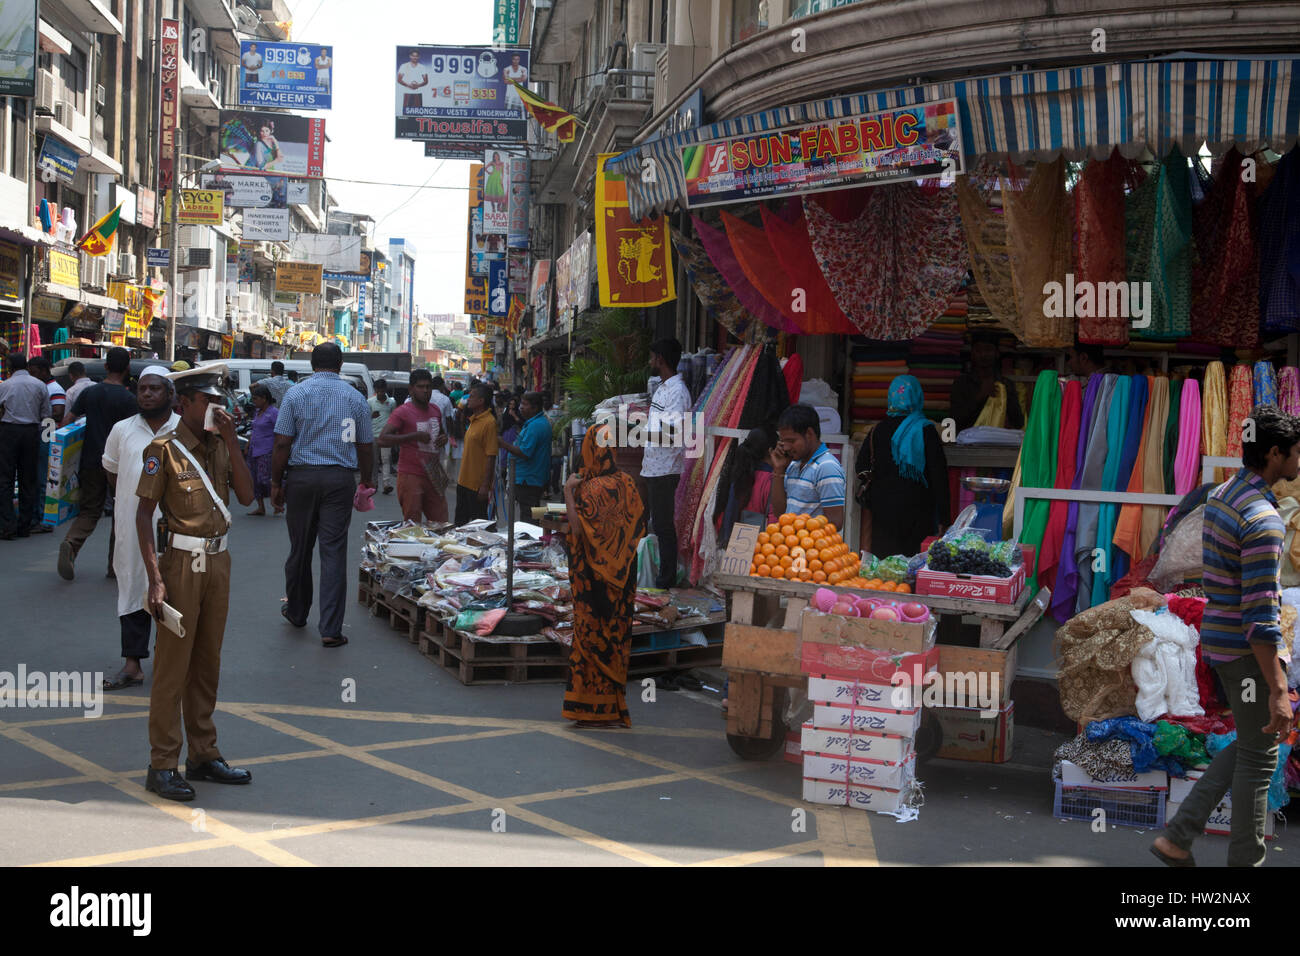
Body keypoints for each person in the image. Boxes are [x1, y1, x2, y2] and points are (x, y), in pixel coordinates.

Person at [1151, 405, 1300, 868]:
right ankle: (1244, 864)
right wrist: (1277, 687)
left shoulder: (1224, 494)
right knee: (1260, 760)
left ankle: (1178, 838)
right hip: (1243, 650)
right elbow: (1259, 616)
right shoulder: (1263, 519)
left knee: (1253, 743)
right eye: (1297, 452)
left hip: (1219, 638)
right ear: (1275, 453)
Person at [134, 364, 254, 801]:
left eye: (220, 401)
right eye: (209, 401)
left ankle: (203, 754)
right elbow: (143, 516)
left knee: (207, 665)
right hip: (180, 563)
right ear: (183, 404)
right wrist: (154, 578)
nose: (217, 409)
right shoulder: (162, 450)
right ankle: (162, 763)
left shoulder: (221, 446)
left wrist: (232, 444)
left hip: (218, 563)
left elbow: (246, 496)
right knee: (172, 668)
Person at [272, 343, 374, 647]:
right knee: (333, 552)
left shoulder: (296, 394)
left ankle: (298, 611)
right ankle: (330, 629)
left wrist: (276, 482)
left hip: (301, 478)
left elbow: (281, 443)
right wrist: (365, 480)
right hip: (339, 480)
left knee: (299, 549)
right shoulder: (356, 398)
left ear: (312, 364)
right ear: (340, 364)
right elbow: (366, 446)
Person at [100, 366, 180, 691]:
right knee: (133, 587)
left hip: (176, 527)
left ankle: (171, 664)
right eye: (142, 389)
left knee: (174, 590)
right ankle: (132, 665)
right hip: (133, 526)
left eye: (155, 389)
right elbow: (113, 473)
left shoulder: (184, 429)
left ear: (170, 394)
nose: (146, 394)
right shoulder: (122, 430)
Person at [562, 423, 646, 727]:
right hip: (622, 581)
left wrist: (568, 492)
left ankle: (585, 708)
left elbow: (576, 528)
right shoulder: (629, 483)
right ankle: (613, 707)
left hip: (592, 582)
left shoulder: (588, 488)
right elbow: (637, 528)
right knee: (617, 638)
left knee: (591, 637)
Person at [58, 347, 138, 579]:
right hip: (119, 464)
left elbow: (67, 421)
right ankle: (115, 565)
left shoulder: (90, 393)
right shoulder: (129, 399)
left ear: (105, 367)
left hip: (91, 460)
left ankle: (71, 544)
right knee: (121, 513)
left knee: (90, 510)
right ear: (127, 369)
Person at [858, 375, 950, 557]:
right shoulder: (926, 430)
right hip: (918, 515)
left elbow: (861, 466)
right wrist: (945, 519)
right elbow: (939, 477)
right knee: (914, 567)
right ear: (917, 397)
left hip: (883, 513)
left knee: (885, 570)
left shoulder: (877, 430)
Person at [642, 338, 691, 590]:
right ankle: (656, 575)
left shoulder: (677, 392)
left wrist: (636, 432)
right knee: (655, 523)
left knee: (663, 526)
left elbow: (674, 434)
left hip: (665, 467)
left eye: (652, 357)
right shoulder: (662, 388)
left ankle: (666, 580)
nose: (650, 361)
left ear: (660, 359)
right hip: (653, 466)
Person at [379, 368, 450, 524]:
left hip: (434, 472)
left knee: (441, 523)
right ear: (411, 389)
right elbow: (382, 439)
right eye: (420, 387)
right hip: (411, 474)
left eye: (428, 387)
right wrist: (414, 436)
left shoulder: (436, 410)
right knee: (413, 525)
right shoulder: (402, 412)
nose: (425, 391)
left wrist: (443, 438)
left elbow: (441, 433)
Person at [770, 404, 847, 532]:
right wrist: (779, 470)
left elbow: (835, 523)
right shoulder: (793, 465)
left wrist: (799, 534)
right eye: (784, 441)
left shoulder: (826, 467)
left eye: (791, 441)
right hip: (792, 547)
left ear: (809, 434)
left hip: (813, 549)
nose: (787, 447)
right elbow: (780, 514)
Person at [0, 352, 52, 539]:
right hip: (32, 432)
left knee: (5, 479)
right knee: (28, 480)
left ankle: (8, 525)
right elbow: (46, 413)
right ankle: (25, 525)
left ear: (10, 367)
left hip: (9, 432)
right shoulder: (39, 385)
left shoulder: (5, 385)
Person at [949, 331, 1025, 432]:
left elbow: (1018, 423)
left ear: (997, 353)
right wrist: (981, 396)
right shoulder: (961, 383)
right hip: (966, 443)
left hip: (998, 441)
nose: (983, 354)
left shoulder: (1006, 384)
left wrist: (1006, 396)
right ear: (972, 354)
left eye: (988, 350)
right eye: (978, 350)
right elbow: (954, 421)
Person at [716, 426, 778, 548]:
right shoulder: (771, 479)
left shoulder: (740, 473)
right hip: (762, 545)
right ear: (771, 451)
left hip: (738, 542)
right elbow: (773, 516)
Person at [499, 392, 553, 514]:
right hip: (531, 478)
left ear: (534, 407)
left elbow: (525, 452)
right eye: (521, 404)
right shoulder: (535, 423)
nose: (521, 407)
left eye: (525, 404)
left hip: (529, 480)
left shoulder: (536, 425)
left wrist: (504, 444)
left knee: (529, 517)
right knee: (533, 513)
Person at [455, 383, 499, 526]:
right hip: (463, 481)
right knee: (460, 524)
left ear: (481, 401)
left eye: (472, 396)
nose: (468, 399)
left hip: (476, 485)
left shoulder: (489, 422)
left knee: (478, 527)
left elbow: (491, 456)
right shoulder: (474, 419)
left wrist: (485, 485)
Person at [245, 384, 279, 516]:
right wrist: (248, 444)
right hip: (254, 449)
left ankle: (278, 497)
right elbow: (254, 430)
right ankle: (260, 507)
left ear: (264, 399)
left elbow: (279, 432)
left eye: (255, 399)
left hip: (267, 450)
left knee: (264, 479)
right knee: (253, 479)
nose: (254, 402)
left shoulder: (273, 413)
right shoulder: (257, 412)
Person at [368, 378, 396, 494]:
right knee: (374, 461)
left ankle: (386, 484)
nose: (380, 393)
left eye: (382, 390)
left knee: (386, 460)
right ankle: (374, 484)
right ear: (375, 390)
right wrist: (371, 416)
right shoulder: (370, 402)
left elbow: (395, 418)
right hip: (373, 435)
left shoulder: (392, 402)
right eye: (378, 390)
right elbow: (364, 418)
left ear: (385, 390)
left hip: (386, 436)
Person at [29, 356, 65, 423]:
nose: (31, 376)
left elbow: (58, 414)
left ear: (44, 371)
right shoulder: (40, 386)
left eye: (33, 373)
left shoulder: (55, 389)